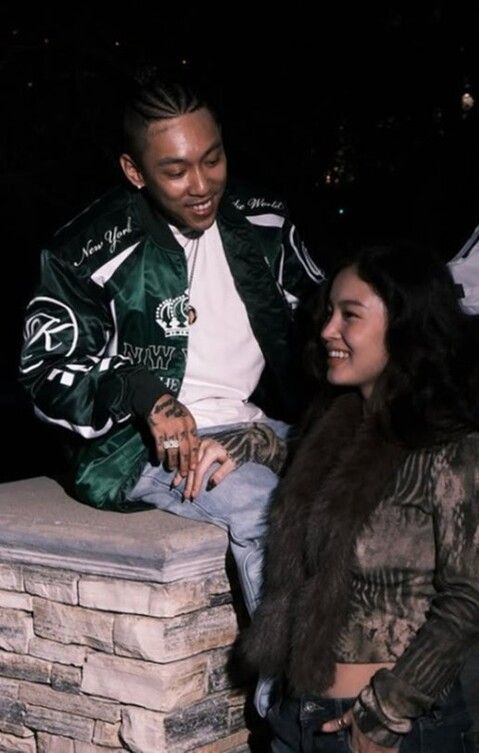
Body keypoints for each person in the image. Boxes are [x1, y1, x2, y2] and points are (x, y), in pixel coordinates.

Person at [19, 76, 323, 617]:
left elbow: (328, 326)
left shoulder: (263, 223)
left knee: (389, 480)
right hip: (141, 448)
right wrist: (145, 393)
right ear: (135, 171)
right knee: (267, 511)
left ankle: (391, 664)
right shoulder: (85, 251)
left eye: (213, 159)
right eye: (177, 171)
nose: (202, 185)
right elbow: (46, 374)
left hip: (256, 424)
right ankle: (296, 672)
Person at [243, 242, 479, 752]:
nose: (327, 330)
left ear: (404, 327)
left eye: (350, 315)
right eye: (328, 312)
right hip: (297, 720)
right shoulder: (330, 432)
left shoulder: (452, 451)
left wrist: (388, 710)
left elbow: (471, 600)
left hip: (388, 729)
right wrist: (238, 445)